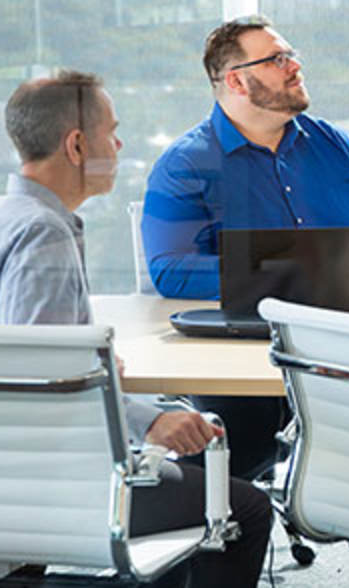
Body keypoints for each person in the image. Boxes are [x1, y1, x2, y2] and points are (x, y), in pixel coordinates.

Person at [0, 71, 271, 587]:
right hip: (51, 484)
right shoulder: (44, 234)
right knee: (245, 511)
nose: (119, 144)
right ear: (77, 145)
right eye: (112, 131)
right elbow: (43, 383)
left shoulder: (12, 215)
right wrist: (147, 421)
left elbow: (34, 356)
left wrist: (95, 367)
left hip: (18, 477)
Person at [141, 15, 349, 479]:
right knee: (229, 478)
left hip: (340, 349)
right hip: (241, 354)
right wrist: (292, 271)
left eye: (291, 55)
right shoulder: (185, 164)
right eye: (277, 60)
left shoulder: (340, 148)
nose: (294, 66)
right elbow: (169, 269)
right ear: (236, 80)